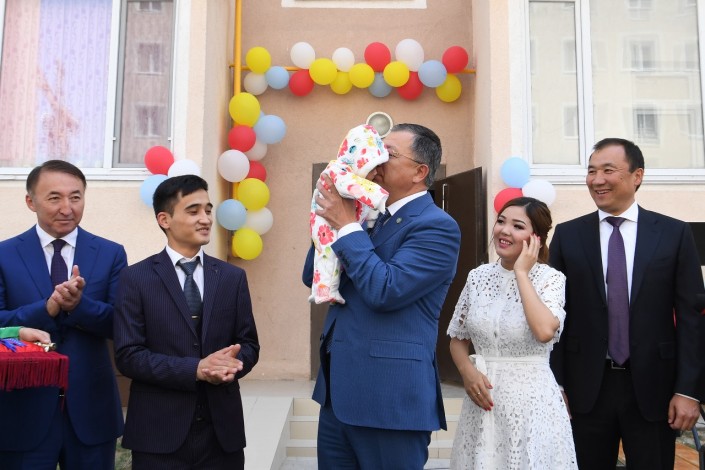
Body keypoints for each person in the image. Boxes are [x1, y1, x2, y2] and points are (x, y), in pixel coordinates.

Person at [302, 123, 461, 469]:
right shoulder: (366, 212)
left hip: (389, 398)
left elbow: (385, 290)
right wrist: (329, 223)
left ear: (420, 172)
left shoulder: (436, 225)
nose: (375, 158)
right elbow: (310, 277)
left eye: (388, 153)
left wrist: (347, 226)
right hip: (338, 395)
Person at [549, 138, 705, 469]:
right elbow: (555, 317)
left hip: (655, 389)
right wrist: (555, 384)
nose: (597, 180)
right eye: (591, 171)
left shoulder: (674, 234)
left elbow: (692, 319)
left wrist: (689, 390)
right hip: (584, 390)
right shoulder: (568, 235)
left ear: (637, 176)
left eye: (608, 170)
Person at [114, 174, 260, 470]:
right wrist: (196, 369)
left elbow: (249, 345)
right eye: (193, 211)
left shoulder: (232, 277)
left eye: (208, 210)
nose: (205, 219)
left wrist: (229, 365)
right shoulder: (136, 278)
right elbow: (129, 356)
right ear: (164, 219)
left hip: (222, 436)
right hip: (158, 435)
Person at [0, 160, 127, 469]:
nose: (67, 208)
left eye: (76, 197)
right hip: (22, 410)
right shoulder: (5, 254)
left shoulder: (110, 253)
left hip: (90, 409)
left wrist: (78, 306)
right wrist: (47, 309)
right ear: (31, 202)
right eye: (54, 198)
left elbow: (122, 323)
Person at [447, 197, 577, 469]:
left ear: (536, 238)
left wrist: (521, 273)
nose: (504, 231)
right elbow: (458, 337)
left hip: (531, 404)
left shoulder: (551, 279)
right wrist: (467, 372)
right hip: (481, 402)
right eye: (501, 222)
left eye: (517, 226)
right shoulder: (477, 277)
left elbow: (544, 331)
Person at [309, 123, 389, 304]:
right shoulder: (338, 171)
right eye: (373, 166)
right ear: (359, 160)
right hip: (325, 225)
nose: (377, 172)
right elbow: (356, 188)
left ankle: (326, 290)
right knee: (327, 256)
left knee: (330, 258)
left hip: (334, 226)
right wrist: (378, 196)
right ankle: (324, 291)